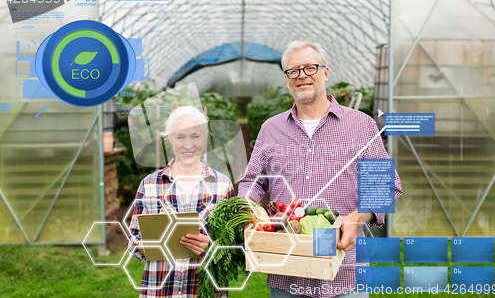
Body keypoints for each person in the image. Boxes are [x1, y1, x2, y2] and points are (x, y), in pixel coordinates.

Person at [238, 41, 402, 298]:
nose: (302, 75)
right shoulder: (271, 129)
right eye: (294, 70)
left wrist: (354, 219)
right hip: (287, 271)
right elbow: (254, 182)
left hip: (345, 273)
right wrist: (247, 212)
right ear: (287, 79)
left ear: (325, 73)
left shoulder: (361, 125)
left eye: (310, 67)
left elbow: (386, 187)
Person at [127, 105, 235, 298]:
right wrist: (147, 245)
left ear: (205, 138)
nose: (188, 145)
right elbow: (133, 240)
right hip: (159, 291)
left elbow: (234, 247)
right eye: (180, 137)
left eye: (195, 136)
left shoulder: (222, 185)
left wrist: (211, 246)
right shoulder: (149, 184)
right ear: (169, 139)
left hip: (204, 291)